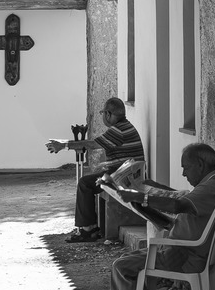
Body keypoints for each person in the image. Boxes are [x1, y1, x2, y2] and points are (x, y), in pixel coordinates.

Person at [106, 142, 215, 290]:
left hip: (183, 256)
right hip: (183, 251)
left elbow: (177, 205)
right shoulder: (214, 185)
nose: (183, 173)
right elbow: (186, 213)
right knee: (130, 261)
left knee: (122, 266)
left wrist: (141, 197)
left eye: (185, 167)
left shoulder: (209, 188)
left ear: (200, 164)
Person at [46, 97, 145, 242]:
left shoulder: (118, 130)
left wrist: (64, 145)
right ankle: (89, 226)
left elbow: (92, 144)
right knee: (91, 180)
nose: (103, 117)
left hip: (125, 176)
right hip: (126, 172)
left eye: (103, 113)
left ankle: (87, 229)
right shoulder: (125, 126)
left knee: (85, 183)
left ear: (108, 114)